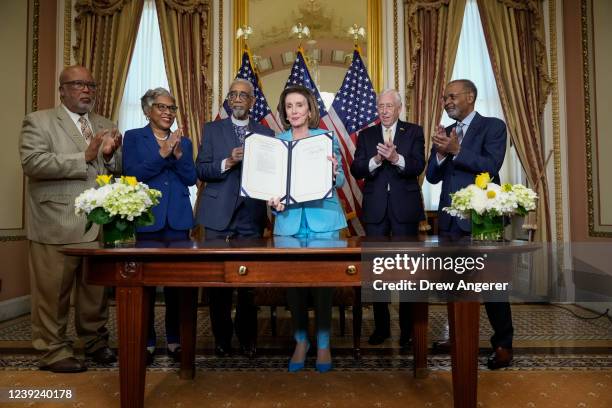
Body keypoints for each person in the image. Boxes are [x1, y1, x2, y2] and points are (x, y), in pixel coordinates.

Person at [19, 65, 121, 372]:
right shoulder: (39, 121)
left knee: (95, 293)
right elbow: (33, 163)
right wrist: (86, 156)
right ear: (62, 90)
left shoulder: (105, 123)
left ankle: (94, 342)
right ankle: (52, 351)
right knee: (53, 294)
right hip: (56, 222)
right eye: (78, 84)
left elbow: (113, 168)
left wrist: (109, 155)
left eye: (90, 84)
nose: (86, 90)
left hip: (97, 224)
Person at [425, 79, 512, 369]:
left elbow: (491, 165)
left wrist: (456, 151)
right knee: (454, 284)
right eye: (444, 97)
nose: (446, 101)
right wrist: (440, 152)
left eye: (451, 96)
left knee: (493, 286)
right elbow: (432, 177)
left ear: (470, 97)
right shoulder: (447, 132)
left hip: (482, 220)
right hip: (450, 222)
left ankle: (503, 344)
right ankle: (458, 335)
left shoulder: (493, 126)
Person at [268, 85, 347, 373]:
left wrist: (334, 171)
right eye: (289, 106)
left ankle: (323, 343)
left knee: (323, 286)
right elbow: (272, 185)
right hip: (289, 223)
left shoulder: (325, 138)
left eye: (299, 105)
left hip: (323, 221)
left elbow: (337, 184)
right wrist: (271, 199)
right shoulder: (277, 141)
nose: (294, 111)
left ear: (310, 109)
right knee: (294, 287)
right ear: (284, 112)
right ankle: (301, 341)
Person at [195, 78, 275, 358]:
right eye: (234, 95)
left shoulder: (266, 133)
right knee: (219, 283)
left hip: (250, 216)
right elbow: (201, 170)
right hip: (217, 215)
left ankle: (247, 338)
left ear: (253, 102)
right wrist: (227, 162)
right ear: (228, 101)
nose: (239, 99)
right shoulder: (212, 129)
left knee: (248, 285)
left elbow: (272, 175)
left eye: (244, 95)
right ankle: (221, 339)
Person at [122, 87, 197, 365]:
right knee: (146, 286)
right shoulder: (133, 138)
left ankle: (176, 340)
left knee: (178, 285)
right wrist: (162, 153)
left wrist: (177, 155)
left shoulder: (185, 142)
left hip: (178, 222)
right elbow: (132, 174)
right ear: (148, 111)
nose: (168, 113)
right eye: (162, 107)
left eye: (172, 108)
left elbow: (191, 178)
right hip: (147, 220)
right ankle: (148, 341)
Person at [350, 89, 425, 349]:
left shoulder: (414, 132)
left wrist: (396, 158)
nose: (384, 110)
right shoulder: (367, 135)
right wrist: (375, 160)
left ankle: (407, 331)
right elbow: (356, 168)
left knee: (407, 273)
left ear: (399, 108)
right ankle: (381, 328)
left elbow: (418, 165)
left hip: (405, 210)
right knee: (377, 272)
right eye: (380, 106)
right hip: (375, 212)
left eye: (389, 106)